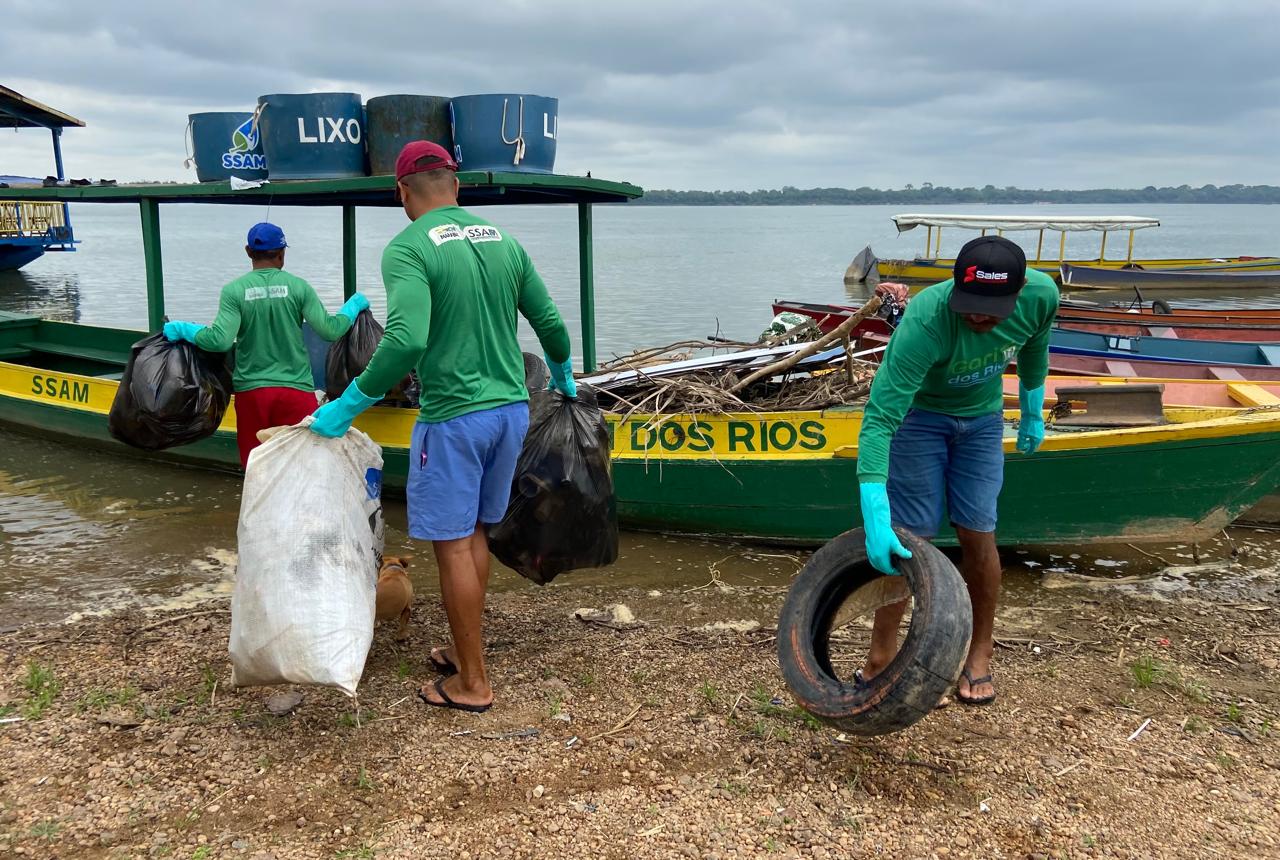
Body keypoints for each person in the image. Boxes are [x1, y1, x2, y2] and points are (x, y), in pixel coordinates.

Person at [309, 141, 576, 713]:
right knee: (475, 533)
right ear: (455, 185)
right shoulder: (503, 241)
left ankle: (473, 683)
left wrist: (349, 403)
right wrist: (562, 374)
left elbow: (406, 340)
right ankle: (463, 652)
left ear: (401, 192)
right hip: (511, 411)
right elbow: (549, 321)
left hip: (455, 417)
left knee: (453, 545)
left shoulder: (408, 248)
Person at [855, 235, 1058, 705]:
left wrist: (1030, 410)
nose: (979, 318)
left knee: (978, 531)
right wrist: (874, 511)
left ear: (1020, 289)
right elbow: (881, 418)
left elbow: (1035, 348)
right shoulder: (926, 321)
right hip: (920, 419)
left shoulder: (1042, 295)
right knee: (908, 537)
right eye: (970, 306)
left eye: (992, 309)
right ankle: (882, 656)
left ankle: (978, 652)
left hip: (983, 420)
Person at [163, 222, 369, 467]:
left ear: (248, 252)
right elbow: (330, 330)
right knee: (303, 466)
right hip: (296, 392)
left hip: (253, 393)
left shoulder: (234, 291)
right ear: (282, 254)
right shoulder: (298, 287)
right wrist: (353, 306)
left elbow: (219, 341)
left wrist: (182, 329)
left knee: (256, 466)